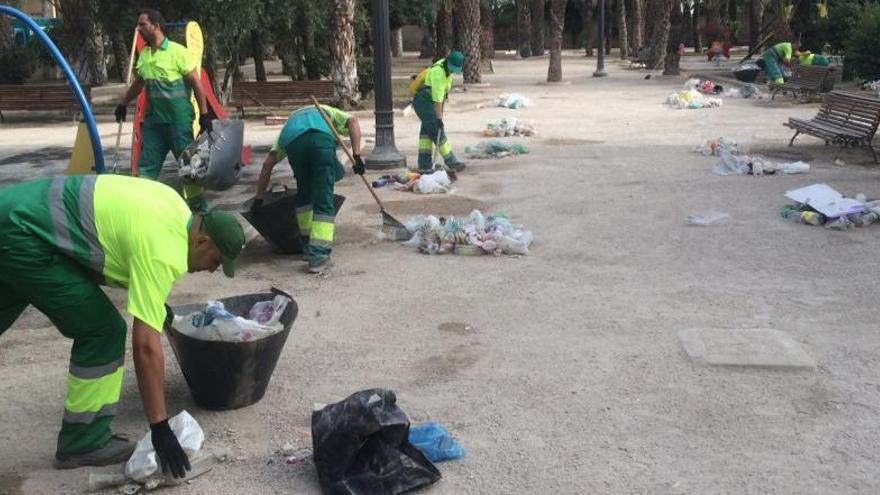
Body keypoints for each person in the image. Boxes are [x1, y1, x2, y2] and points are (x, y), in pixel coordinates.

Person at [0, 174, 246, 476]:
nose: (212, 270)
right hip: (25, 234)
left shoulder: (175, 208)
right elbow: (144, 346)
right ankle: (82, 442)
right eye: (215, 261)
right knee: (103, 330)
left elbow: (123, 248)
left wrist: (156, 305)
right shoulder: (163, 250)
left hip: (16, 214)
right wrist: (159, 426)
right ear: (202, 240)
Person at [115, 8, 212, 212]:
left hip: (179, 123)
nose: (138, 29)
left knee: (191, 171)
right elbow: (139, 83)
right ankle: (145, 212)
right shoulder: (145, 56)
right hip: (154, 126)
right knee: (145, 173)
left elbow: (196, 83)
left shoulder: (178, 52)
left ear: (156, 26)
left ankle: (202, 215)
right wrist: (123, 103)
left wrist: (204, 115)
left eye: (142, 24)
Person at [252, 104, 363, 274]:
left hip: (294, 144)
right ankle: (318, 256)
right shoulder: (327, 111)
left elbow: (268, 164)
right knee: (324, 199)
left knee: (304, 195)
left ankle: (307, 247)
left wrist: (258, 199)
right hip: (321, 141)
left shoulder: (290, 123)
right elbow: (353, 121)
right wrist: (356, 155)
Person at [412, 51, 467, 174]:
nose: (452, 71)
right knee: (438, 131)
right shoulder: (439, 74)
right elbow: (437, 100)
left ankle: (424, 165)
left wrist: (440, 117)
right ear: (448, 61)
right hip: (424, 102)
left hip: (427, 102)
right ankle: (452, 162)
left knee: (426, 134)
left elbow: (442, 98)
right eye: (452, 68)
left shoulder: (446, 70)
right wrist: (439, 119)